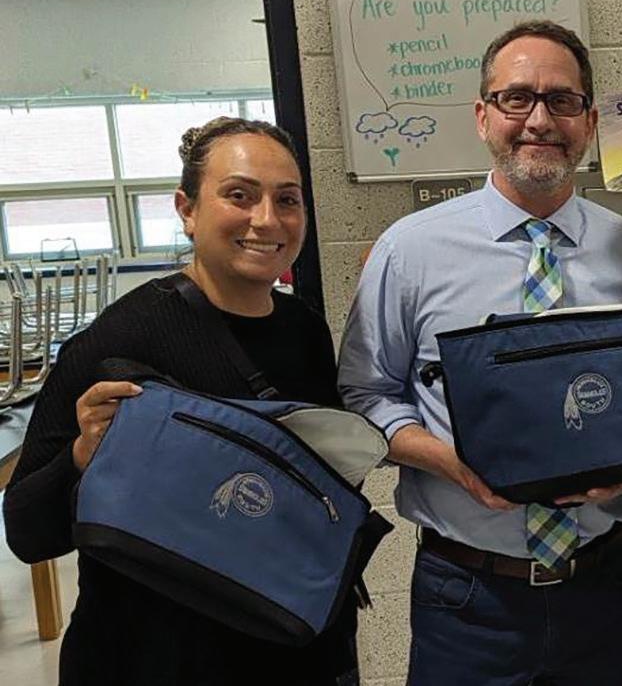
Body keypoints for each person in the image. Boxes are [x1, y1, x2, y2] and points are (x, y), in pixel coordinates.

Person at [337, 20, 622, 685]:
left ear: (589, 121)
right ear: (483, 116)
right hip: (468, 597)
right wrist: (454, 464)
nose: (540, 120)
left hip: (603, 587)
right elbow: (365, 394)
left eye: (563, 100)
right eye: (517, 98)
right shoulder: (409, 252)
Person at [2, 117, 357, 685]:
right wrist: (81, 457)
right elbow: (26, 531)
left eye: (287, 200)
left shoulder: (305, 331)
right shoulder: (117, 340)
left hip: (285, 646)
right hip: (148, 660)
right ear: (187, 210)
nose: (267, 219)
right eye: (239, 195)